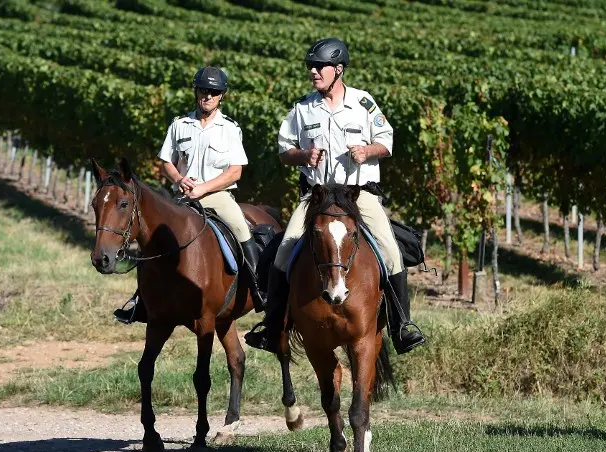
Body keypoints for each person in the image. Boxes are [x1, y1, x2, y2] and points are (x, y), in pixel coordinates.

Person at [244, 38, 425, 355]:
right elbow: (284, 152)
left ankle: (402, 326)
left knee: (390, 249)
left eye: (319, 66)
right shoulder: (302, 108)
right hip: (317, 197)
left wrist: (367, 151)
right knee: (283, 252)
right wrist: (304, 156)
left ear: (338, 69)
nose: (313, 72)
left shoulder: (363, 103)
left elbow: (386, 142)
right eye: (310, 67)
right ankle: (272, 328)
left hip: (358, 195)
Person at [113, 66, 265, 323]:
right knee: (154, 237)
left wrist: (204, 187)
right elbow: (166, 162)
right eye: (204, 90)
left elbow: (235, 171)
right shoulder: (179, 125)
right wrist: (179, 179)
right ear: (196, 92)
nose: (208, 96)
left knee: (241, 229)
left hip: (217, 195)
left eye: (214, 92)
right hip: (183, 198)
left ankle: (260, 289)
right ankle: (142, 301)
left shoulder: (230, 129)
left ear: (222, 96)